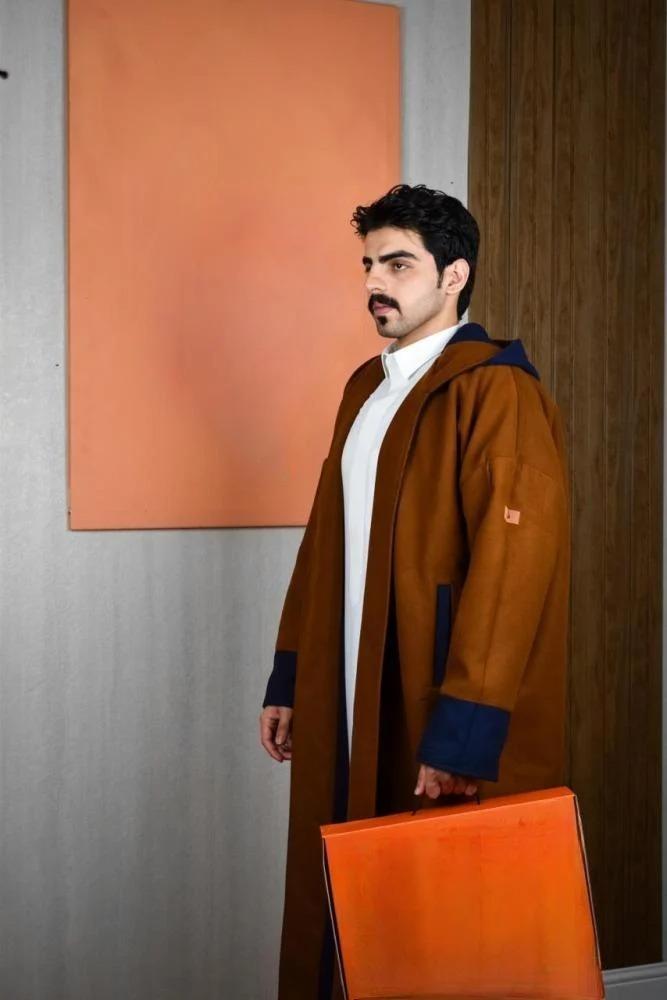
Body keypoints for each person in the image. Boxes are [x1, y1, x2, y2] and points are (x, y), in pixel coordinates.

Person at [259, 183, 570, 1000]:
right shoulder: (366, 389)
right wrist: (291, 677)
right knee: (351, 901)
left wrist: (463, 732)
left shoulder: (495, 390)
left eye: (398, 264)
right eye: (369, 264)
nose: (375, 282)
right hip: (347, 691)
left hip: (425, 695)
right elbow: (324, 540)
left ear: (453, 275)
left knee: (442, 922)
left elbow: (512, 570)